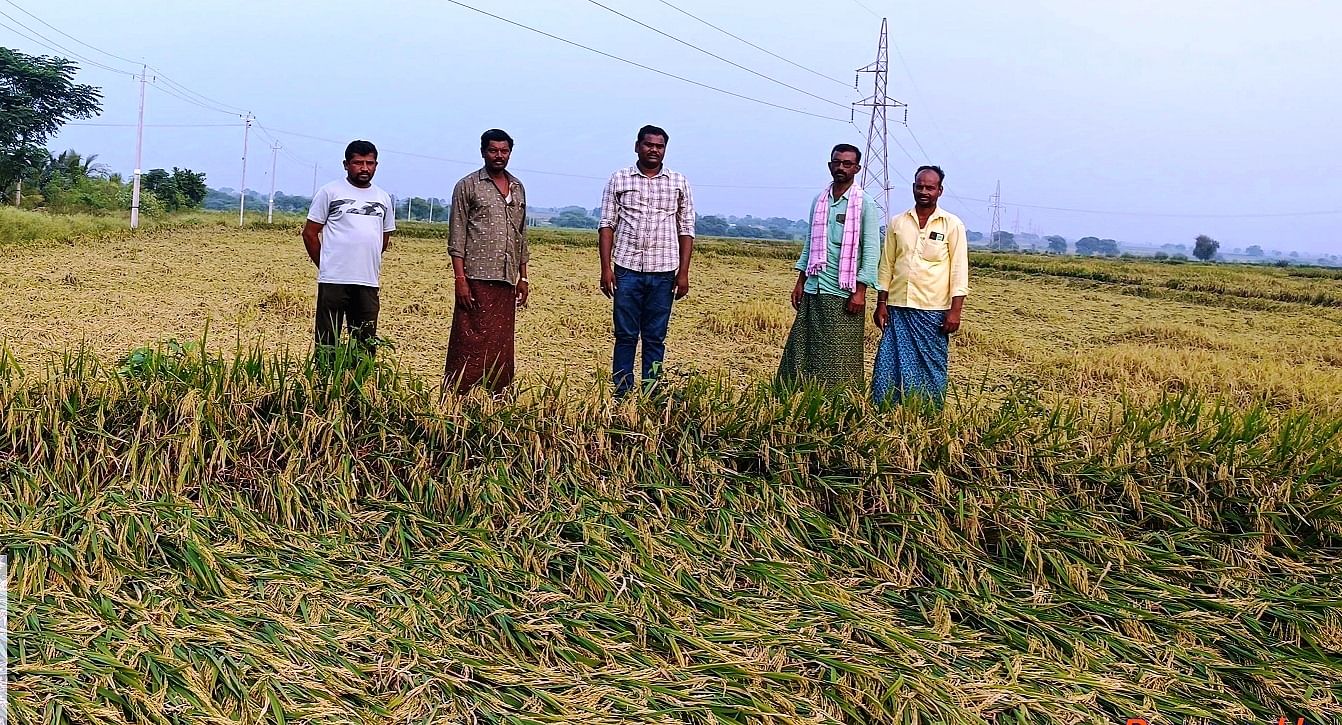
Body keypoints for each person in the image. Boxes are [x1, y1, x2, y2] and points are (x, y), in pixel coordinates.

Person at [598, 124, 696, 396]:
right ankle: (621, 393)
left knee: (655, 337)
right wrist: (606, 269)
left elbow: (686, 228)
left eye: (659, 146)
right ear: (637, 146)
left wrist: (683, 272)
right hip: (626, 270)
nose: (654, 150)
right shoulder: (619, 179)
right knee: (625, 335)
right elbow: (607, 224)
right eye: (649, 144)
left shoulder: (678, 182)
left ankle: (651, 393)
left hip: (664, 272)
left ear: (665, 149)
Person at [776, 144, 881, 389]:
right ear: (829, 165)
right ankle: (797, 397)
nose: (841, 167)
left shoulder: (865, 204)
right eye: (837, 162)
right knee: (802, 348)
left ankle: (838, 404)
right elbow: (810, 244)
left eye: (847, 163)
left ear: (857, 168)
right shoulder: (820, 201)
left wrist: (861, 291)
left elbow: (871, 250)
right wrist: (800, 282)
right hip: (815, 287)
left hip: (844, 292)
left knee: (839, 353)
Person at [872, 165, 970, 406]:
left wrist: (955, 311)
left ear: (940, 191)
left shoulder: (951, 224)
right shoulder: (898, 222)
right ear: (913, 188)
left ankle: (926, 414)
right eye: (920, 186)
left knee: (930, 366)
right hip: (897, 307)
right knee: (889, 363)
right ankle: (886, 409)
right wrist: (881, 303)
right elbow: (887, 265)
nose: (924, 191)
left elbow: (959, 270)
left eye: (930, 187)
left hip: (932, 310)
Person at [443, 129, 529, 394]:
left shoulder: (517, 187)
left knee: (500, 343)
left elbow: (522, 235)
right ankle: (459, 395)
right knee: (468, 340)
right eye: (493, 150)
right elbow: (456, 236)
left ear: (510, 153)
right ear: (483, 152)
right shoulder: (468, 185)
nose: (499, 156)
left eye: (504, 151)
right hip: (475, 278)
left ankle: (497, 397)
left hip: (506, 280)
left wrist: (523, 277)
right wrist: (460, 280)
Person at [302, 139, 395, 361]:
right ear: (346, 164)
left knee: (365, 339)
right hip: (334, 279)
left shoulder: (383, 198)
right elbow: (310, 233)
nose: (364, 168)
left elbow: (384, 236)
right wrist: (325, 264)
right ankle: (325, 384)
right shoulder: (330, 192)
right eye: (358, 163)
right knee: (328, 339)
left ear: (376, 165)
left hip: (368, 280)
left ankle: (358, 383)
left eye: (369, 163)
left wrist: (366, 259)